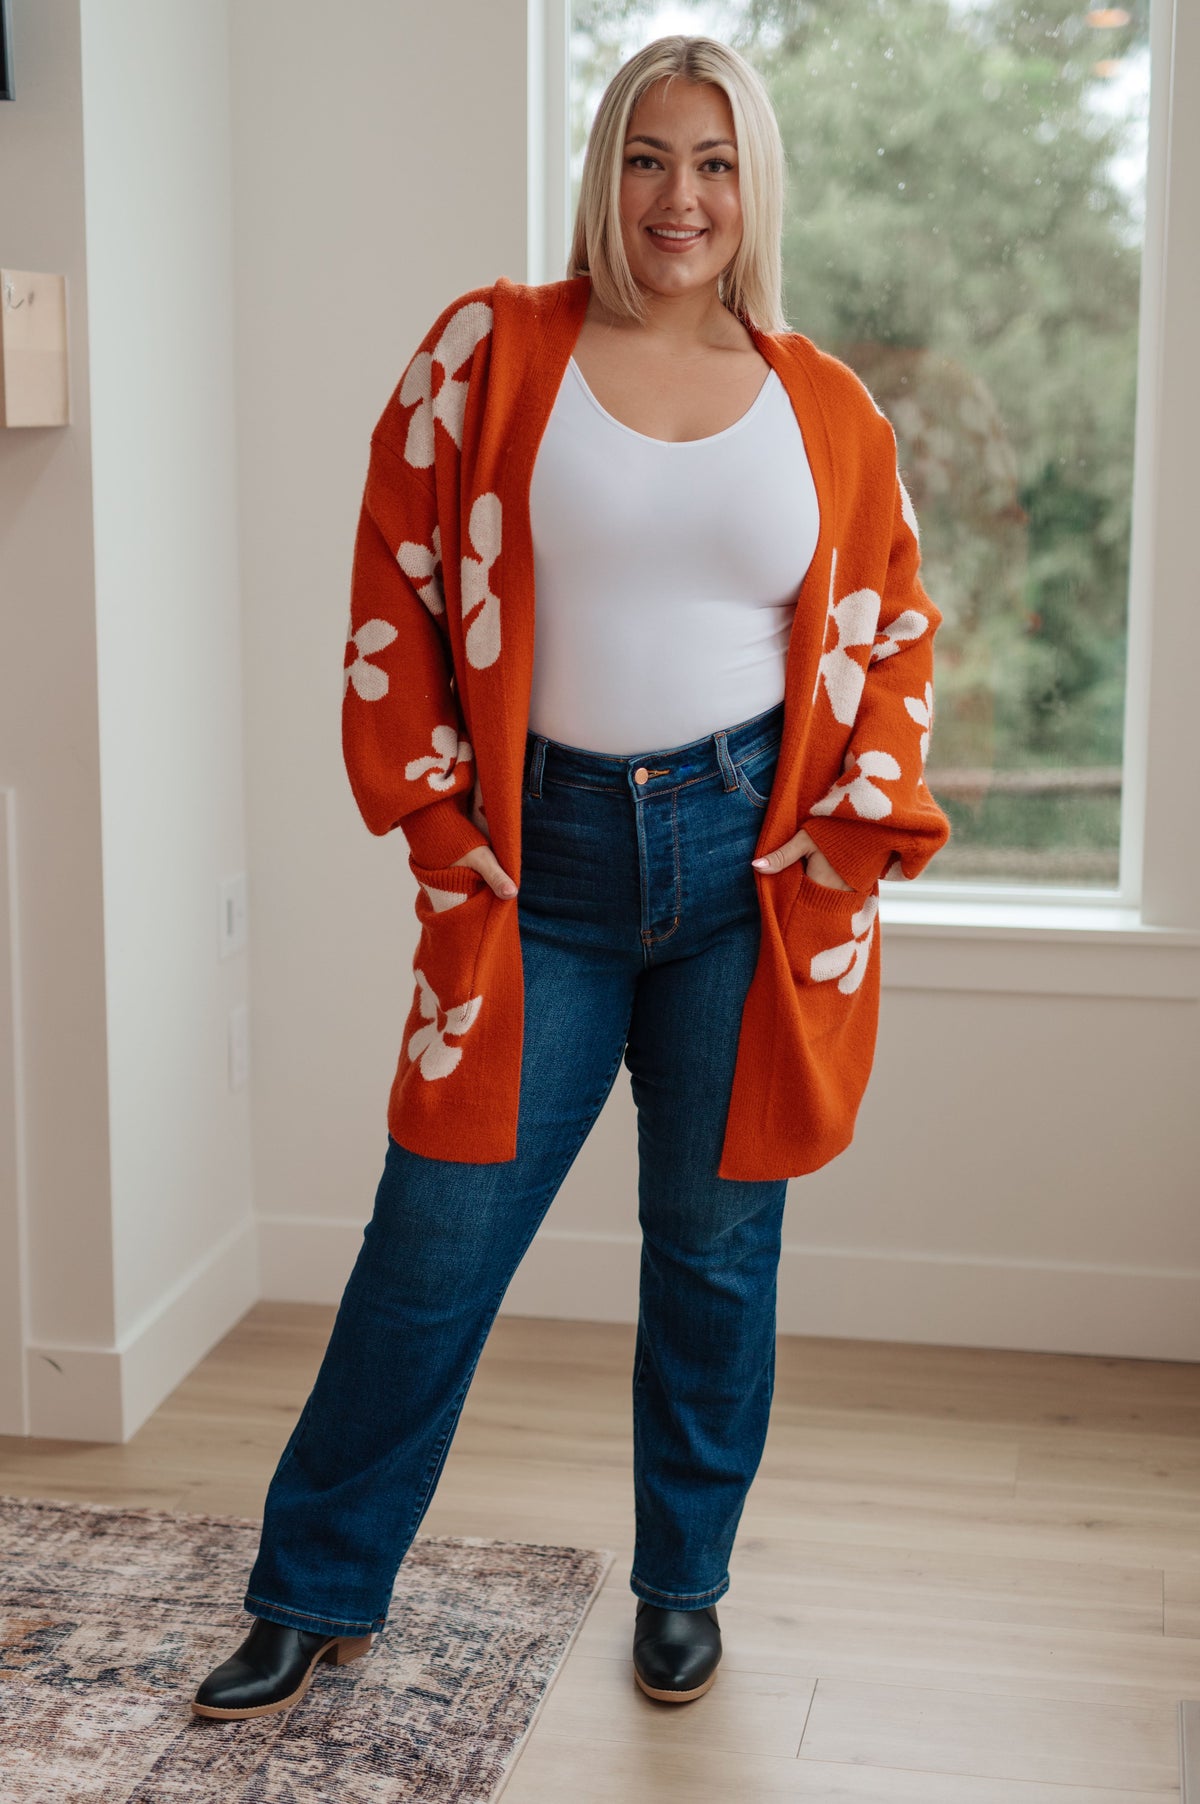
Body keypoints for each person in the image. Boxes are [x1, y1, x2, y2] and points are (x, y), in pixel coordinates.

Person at [192, 34, 949, 1722]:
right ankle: (315, 1587)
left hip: (744, 880)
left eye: (716, 162)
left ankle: (684, 1587)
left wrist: (840, 832)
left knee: (711, 1256)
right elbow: (394, 586)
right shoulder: (491, 349)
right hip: (540, 873)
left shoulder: (828, 407)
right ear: (606, 175)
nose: (680, 198)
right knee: (433, 1242)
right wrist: (441, 821)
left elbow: (892, 634)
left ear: (756, 187)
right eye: (647, 158)